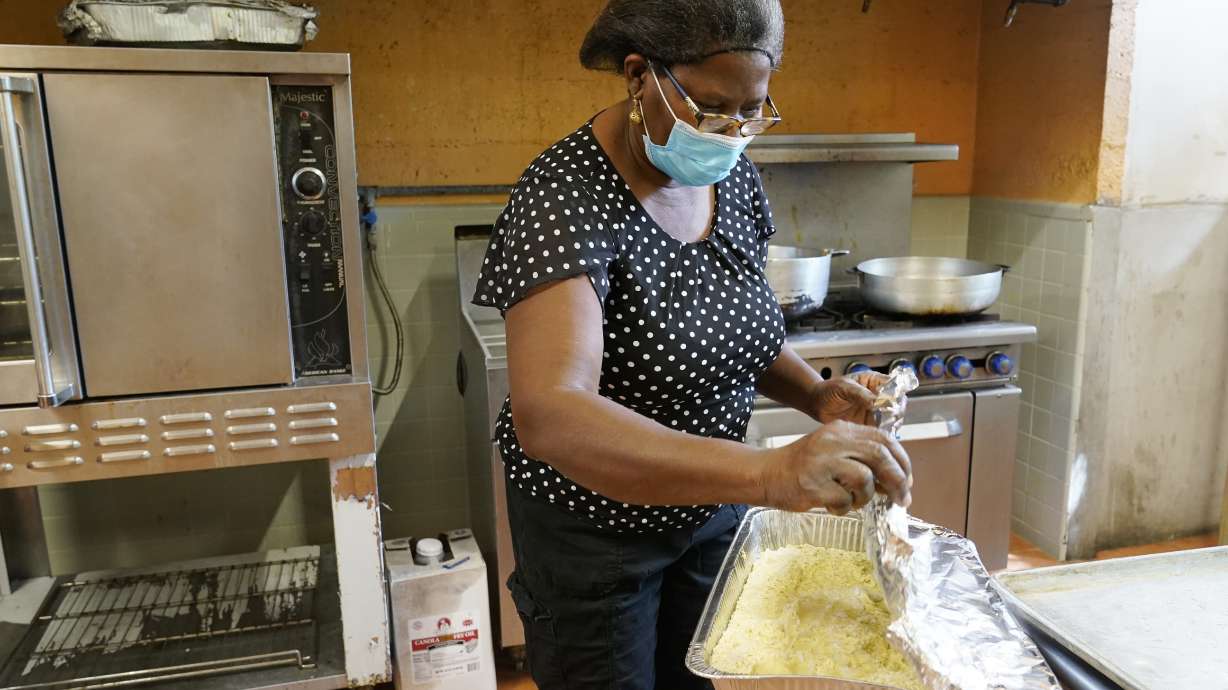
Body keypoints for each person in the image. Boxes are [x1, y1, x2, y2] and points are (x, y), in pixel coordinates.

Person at [471, 1, 912, 687]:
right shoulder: (565, 198)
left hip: (710, 513)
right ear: (640, 75)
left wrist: (815, 395)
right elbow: (550, 414)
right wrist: (769, 473)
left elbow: (730, 329)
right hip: (597, 538)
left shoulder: (730, 176)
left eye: (752, 110)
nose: (732, 132)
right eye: (711, 108)